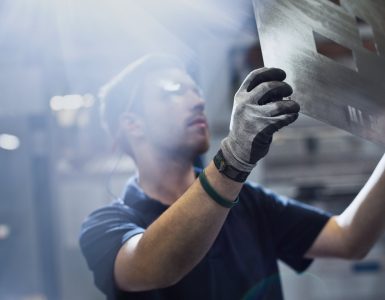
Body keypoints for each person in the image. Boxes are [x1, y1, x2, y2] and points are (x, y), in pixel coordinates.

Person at [79, 54, 385, 300]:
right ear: (133, 124)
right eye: (172, 92)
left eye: (195, 90)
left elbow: (348, 239)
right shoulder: (105, 226)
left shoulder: (248, 201)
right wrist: (234, 157)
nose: (197, 101)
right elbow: (151, 266)